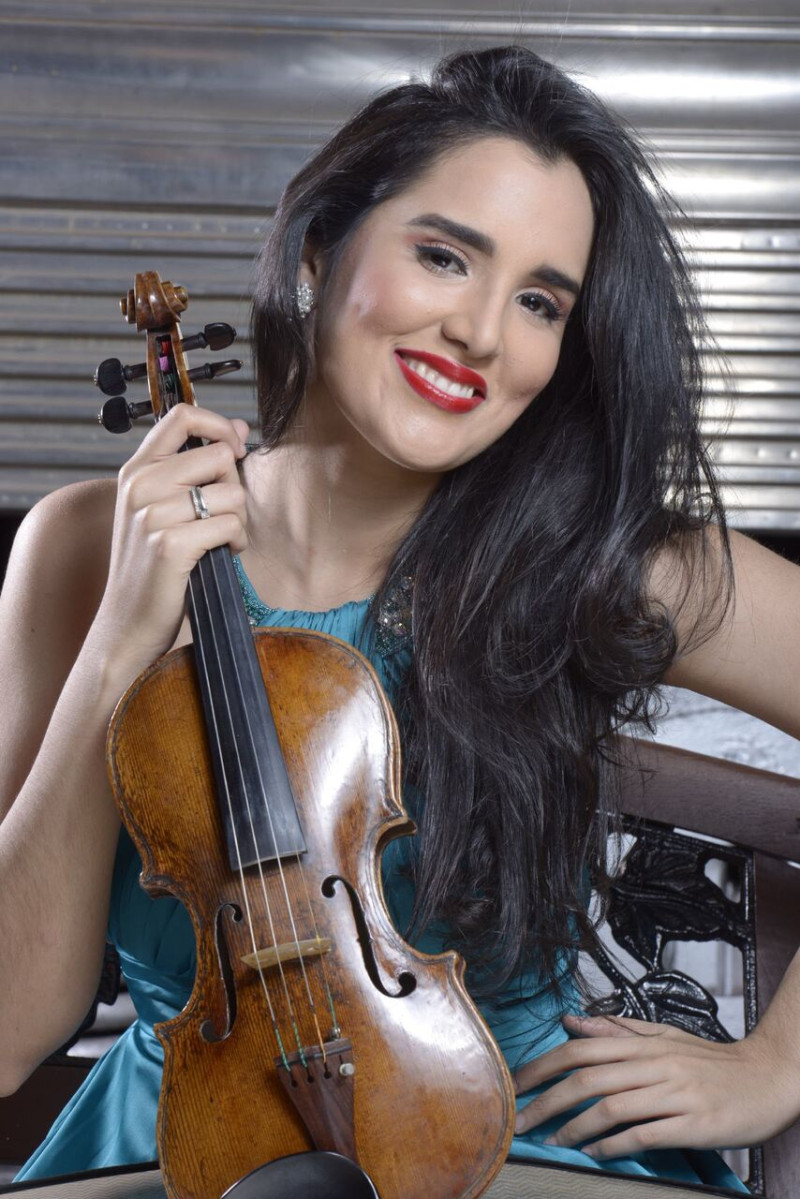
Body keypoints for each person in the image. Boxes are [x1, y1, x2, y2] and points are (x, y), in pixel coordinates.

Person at [1, 43, 799, 1193]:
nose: (480, 331)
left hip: (496, 1138)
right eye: (442, 257)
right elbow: (10, 1033)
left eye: (536, 302)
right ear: (319, 253)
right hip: (183, 1145)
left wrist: (770, 1065)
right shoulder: (86, 542)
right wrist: (127, 629)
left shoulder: (600, 564)